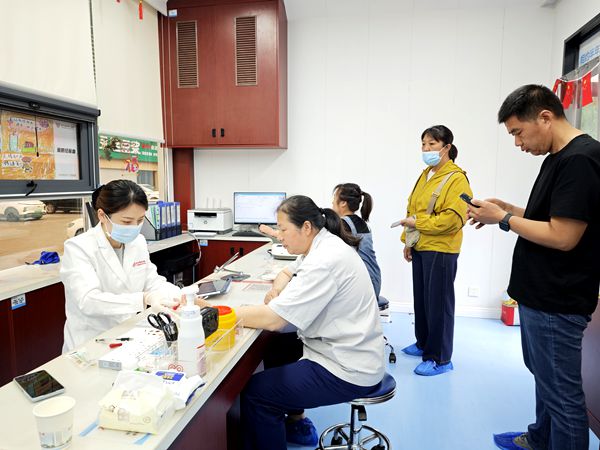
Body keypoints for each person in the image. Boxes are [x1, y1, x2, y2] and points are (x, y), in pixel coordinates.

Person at [467, 84, 600, 450]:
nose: (517, 143)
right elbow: (553, 217)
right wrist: (507, 209)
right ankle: (541, 438)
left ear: (544, 117)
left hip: (558, 299)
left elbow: (563, 236)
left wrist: (503, 218)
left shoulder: (581, 160)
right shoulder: (558, 157)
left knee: (563, 397)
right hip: (540, 295)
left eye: (518, 133)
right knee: (546, 381)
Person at [198, 195, 385, 450]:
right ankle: (296, 424)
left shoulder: (324, 260)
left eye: (283, 229)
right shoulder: (321, 245)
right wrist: (277, 291)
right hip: (347, 351)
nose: (279, 236)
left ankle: (283, 422)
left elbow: (274, 319)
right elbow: (287, 273)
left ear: (306, 227)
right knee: (279, 344)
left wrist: (216, 312)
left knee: (257, 394)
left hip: (348, 368)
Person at [60, 180, 181, 352]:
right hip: (90, 343)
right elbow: (88, 301)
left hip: (129, 335)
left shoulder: (137, 242)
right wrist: (143, 299)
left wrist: (180, 297)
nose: (134, 227)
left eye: (140, 220)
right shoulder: (79, 248)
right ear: (102, 215)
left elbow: (152, 282)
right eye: (126, 221)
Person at [397, 125, 472, 376]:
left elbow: (453, 219)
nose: (426, 149)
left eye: (432, 144)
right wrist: (408, 241)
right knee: (422, 301)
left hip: (441, 249)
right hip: (421, 245)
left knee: (438, 304)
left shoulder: (456, 178)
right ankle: (423, 343)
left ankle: (440, 358)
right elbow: (412, 209)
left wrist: (417, 223)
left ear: (446, 147)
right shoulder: (426, 174)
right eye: (423, 144)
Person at [331, 183, 382, 299]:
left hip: (363, 284)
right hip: (374, 279)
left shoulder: (342, 224)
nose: (332, 202)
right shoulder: (362, 223)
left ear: (343, 203)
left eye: (334, 198)